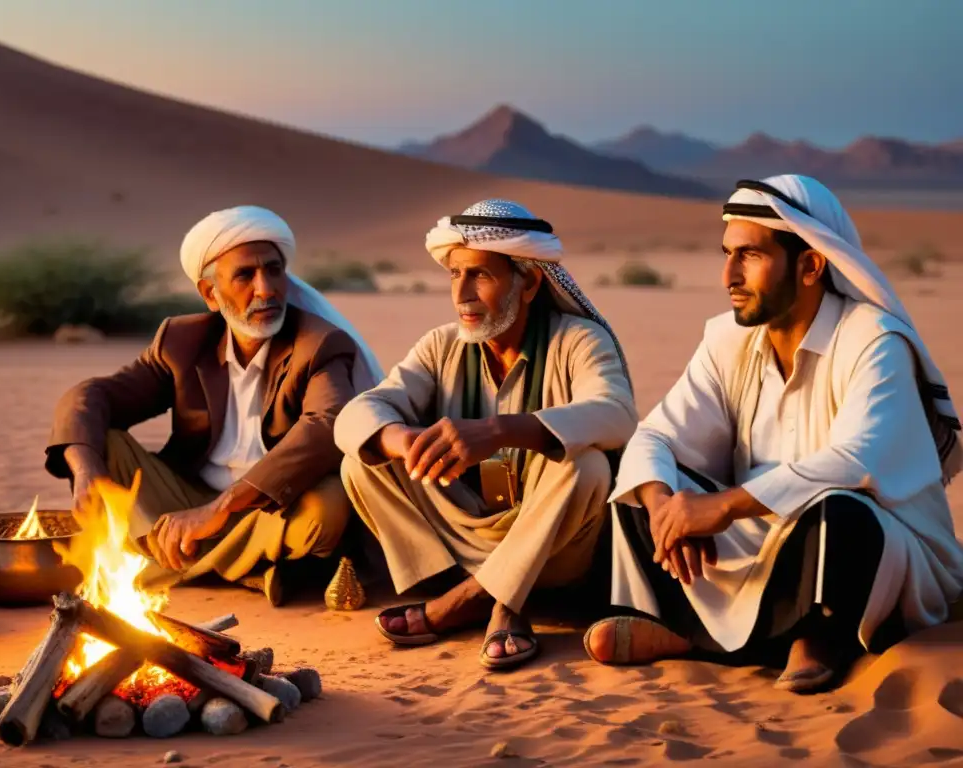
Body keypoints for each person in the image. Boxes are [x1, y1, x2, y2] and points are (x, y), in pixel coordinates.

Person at [586, 175, 963, 693]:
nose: (729, 275)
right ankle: (730, 635)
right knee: (641, 483)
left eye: (749, 255)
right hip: (760, 538)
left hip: (878, 547)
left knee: (839, 512)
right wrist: (664, 508)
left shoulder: (874, 340)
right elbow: (657, 436)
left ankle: (809, 637)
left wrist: (722, 507)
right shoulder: (727, 339)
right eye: (727, 254)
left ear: (810, 266)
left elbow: (856, 459)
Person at [336, 199, 638, 670]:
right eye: (455, 275)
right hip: (462, 539)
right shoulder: (440, 346)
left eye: (480, 275)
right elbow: (357, 414)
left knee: (588, 466)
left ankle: (475, 602)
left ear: (530, 282)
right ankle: (484, 588)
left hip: (553, 548)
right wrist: (406, 441)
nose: (462, 295)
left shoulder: (578, 340)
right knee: (363, 458)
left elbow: (617, 414)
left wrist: (499, 431)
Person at [45, 205, 383, 606]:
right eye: (245, 275)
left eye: (274, 270)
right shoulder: (181, 341)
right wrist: (85, 470)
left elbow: (325, 423)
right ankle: (249, 569)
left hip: (271, 507)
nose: (266, 289)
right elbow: (90, 396)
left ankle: (171, 561)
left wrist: (221, 509)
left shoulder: (318, 343)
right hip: (187, 499)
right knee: (103, 444)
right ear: (210, 293)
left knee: (327, 508)